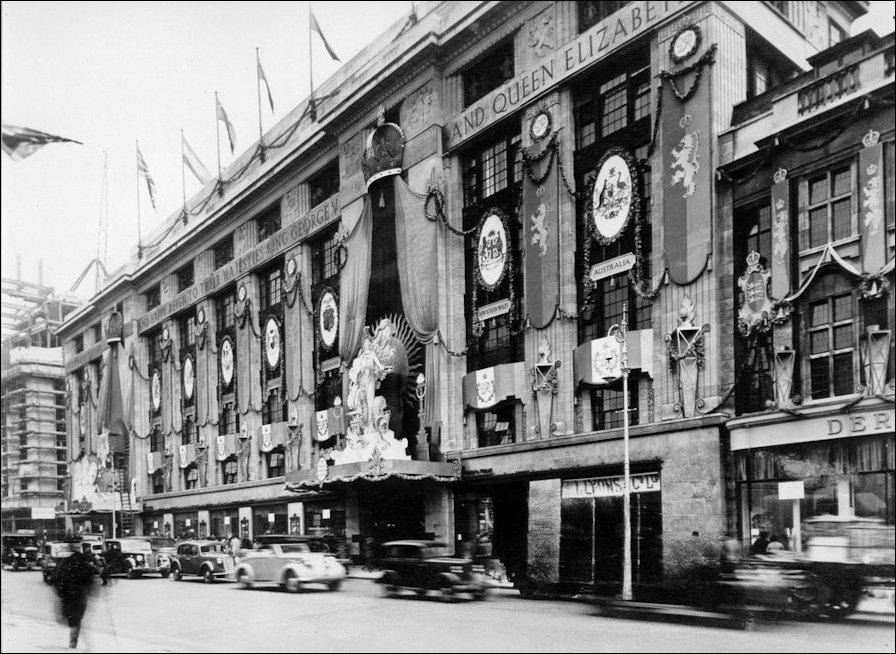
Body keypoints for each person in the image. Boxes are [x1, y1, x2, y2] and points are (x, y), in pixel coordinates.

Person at [51, 549, 97, 649]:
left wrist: (61, 592)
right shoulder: (84, 565)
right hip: (79, 596)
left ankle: (72, 632)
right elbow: (90, 581)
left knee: (71, 617)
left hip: (67, 596)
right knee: (77, 619)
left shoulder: (65, 564)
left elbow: (56, 578)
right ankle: (74, 639)